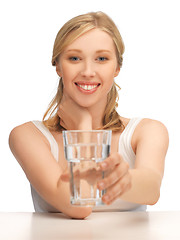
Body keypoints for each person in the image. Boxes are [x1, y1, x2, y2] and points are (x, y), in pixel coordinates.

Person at [9, 11, 169, 219]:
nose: (87, 71)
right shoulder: (29, 136)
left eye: (101, 58)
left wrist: (125, 179)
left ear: (117, 67)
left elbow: (152, 190)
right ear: (57, 65)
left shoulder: (147, 131)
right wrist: (84, 128)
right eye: (74, 58)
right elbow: (79, 207)